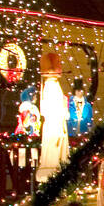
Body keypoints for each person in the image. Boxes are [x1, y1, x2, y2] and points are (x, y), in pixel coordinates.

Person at [35, 50, 70, 183]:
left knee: (59, 152)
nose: (61, 67)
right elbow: (51, 108)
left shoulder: (54, 84)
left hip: (58, 124)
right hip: (54, 126)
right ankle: (51, 175)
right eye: (58, 64)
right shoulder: (50, 85)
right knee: (53, 152)